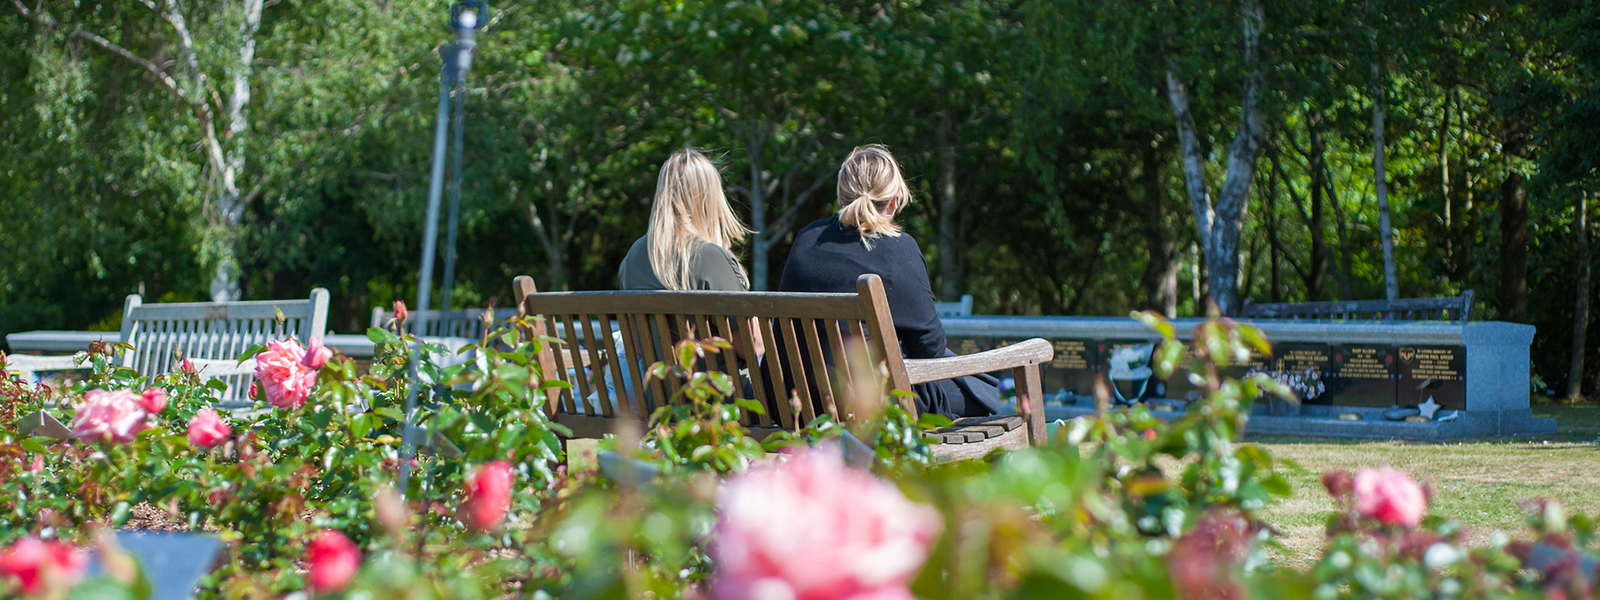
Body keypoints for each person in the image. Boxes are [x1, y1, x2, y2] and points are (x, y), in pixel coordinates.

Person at [778, 144, 1001, 419]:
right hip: (878, 407)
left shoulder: (806, 240)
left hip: (803, 403)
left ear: (840, 195)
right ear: (895, 201)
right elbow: (930, 349)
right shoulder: (900, 251)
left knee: (977, 385)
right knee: (982, 393)